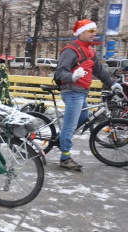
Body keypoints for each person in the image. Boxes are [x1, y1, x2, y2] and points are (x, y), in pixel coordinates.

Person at [54, 19, 123, 171]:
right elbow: (60, 72)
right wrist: (72, 77)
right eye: (91, 31)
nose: (94, 34)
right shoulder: (71, 50)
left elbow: (99, 71)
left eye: (95, 31)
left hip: (82, 92)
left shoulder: (90, 51)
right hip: (72, 92)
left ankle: (62, 138)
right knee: (70, 125)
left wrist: (112, 83)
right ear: (82, 32)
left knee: (84, 119)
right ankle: (65, 157)